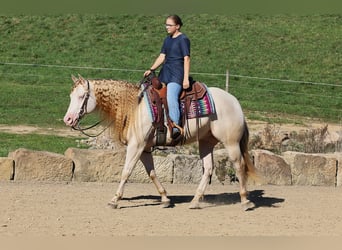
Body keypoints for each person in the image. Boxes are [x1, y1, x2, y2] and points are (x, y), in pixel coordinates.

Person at [144, 14, 191, 140]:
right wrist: (151, 69)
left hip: (177, 74)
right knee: (152, 92)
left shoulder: (183, 39)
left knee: (171, 96)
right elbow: (162, 56)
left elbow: (186, 59)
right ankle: (157, 124)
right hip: (165, 72)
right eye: (166, 24)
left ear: (177, 26)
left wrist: (185, 79)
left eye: (169, 25)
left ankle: (175, 126)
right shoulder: (167, 40)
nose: (167, 27)